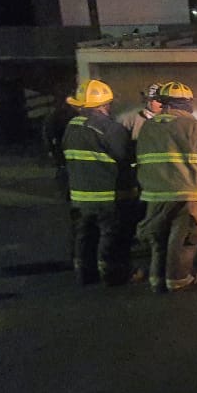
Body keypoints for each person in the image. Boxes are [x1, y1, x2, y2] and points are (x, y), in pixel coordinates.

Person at [135, 81, 197, 293]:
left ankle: (157, 279)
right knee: (186, 236)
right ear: (187, 104)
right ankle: (178, 279)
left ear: (164, 104)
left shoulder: (149, 126)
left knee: (159, 236)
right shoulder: (192, 126)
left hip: (154, 193)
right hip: (186, 191)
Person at [61, 79, 139, 286]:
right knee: (113, 237)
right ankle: (114, 275)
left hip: (80, 196)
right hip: (109, 196)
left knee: (85, 237)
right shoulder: (109, 129)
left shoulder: (72, 126)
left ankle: (85, 275)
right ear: (105, 105)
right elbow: (127, 157)